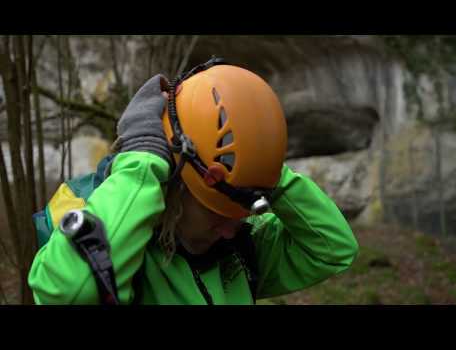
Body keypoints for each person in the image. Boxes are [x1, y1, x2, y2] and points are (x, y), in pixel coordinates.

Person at [28, 58, 359, 305]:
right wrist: (143, 162)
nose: (234, 227)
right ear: (176, 182)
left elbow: (333, 249)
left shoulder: (239, 246)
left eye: (243, 210)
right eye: (219, 212)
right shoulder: (109, 232)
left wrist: (264, 163)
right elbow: (73, 293)